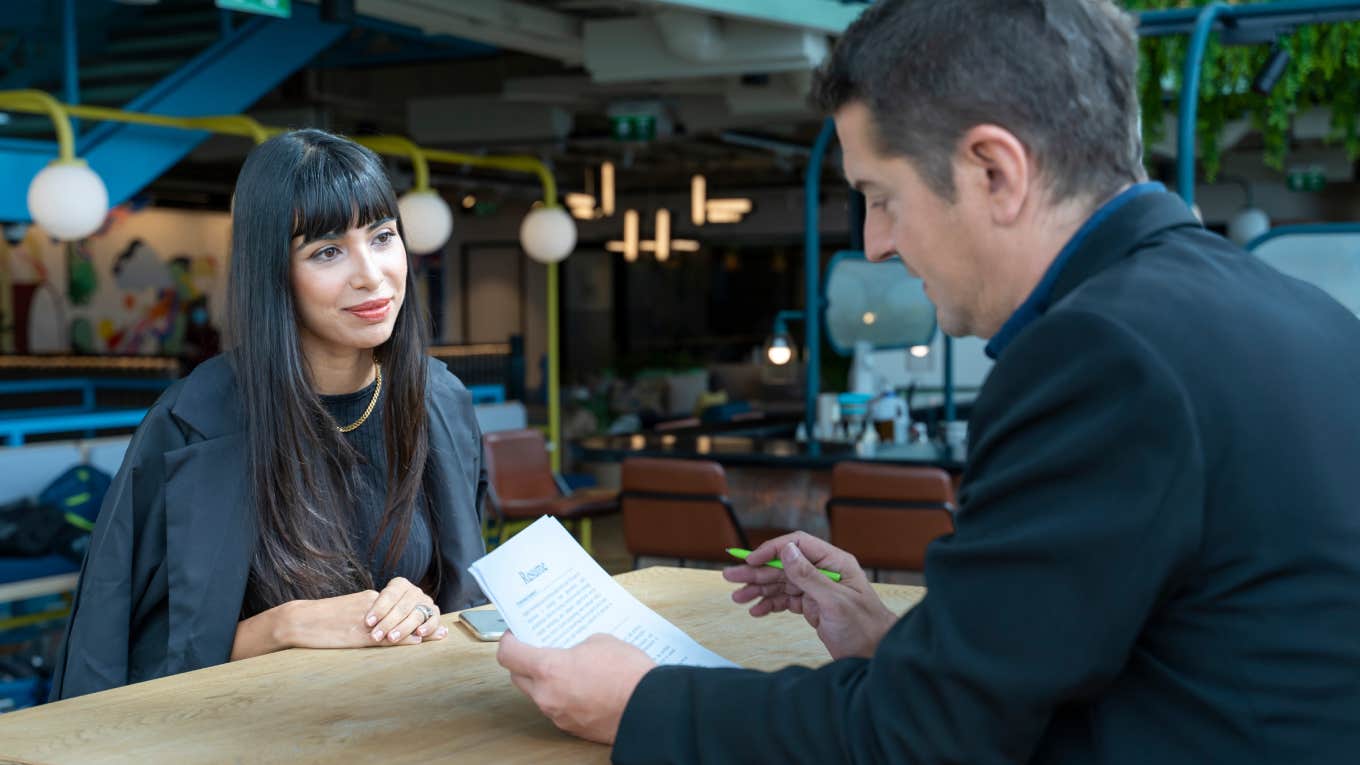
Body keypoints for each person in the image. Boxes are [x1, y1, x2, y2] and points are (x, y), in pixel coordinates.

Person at [495, 1, 1360, 762]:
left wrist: (640, 703)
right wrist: (901, 643)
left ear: (994, 171)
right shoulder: (1302, 314)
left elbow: (923, 742)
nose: (874, 244)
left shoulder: (1100, 353)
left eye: (880, 196)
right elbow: (1165, 656)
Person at [51, 129, 488, 700]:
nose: (371, 274)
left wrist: (417, 608)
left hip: (411, 726)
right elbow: (119, 657)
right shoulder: (196, 424)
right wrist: (282, 627)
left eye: (382, 237)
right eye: (327, 251)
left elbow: (468, 599)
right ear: (272, 272)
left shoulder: (437, 402)